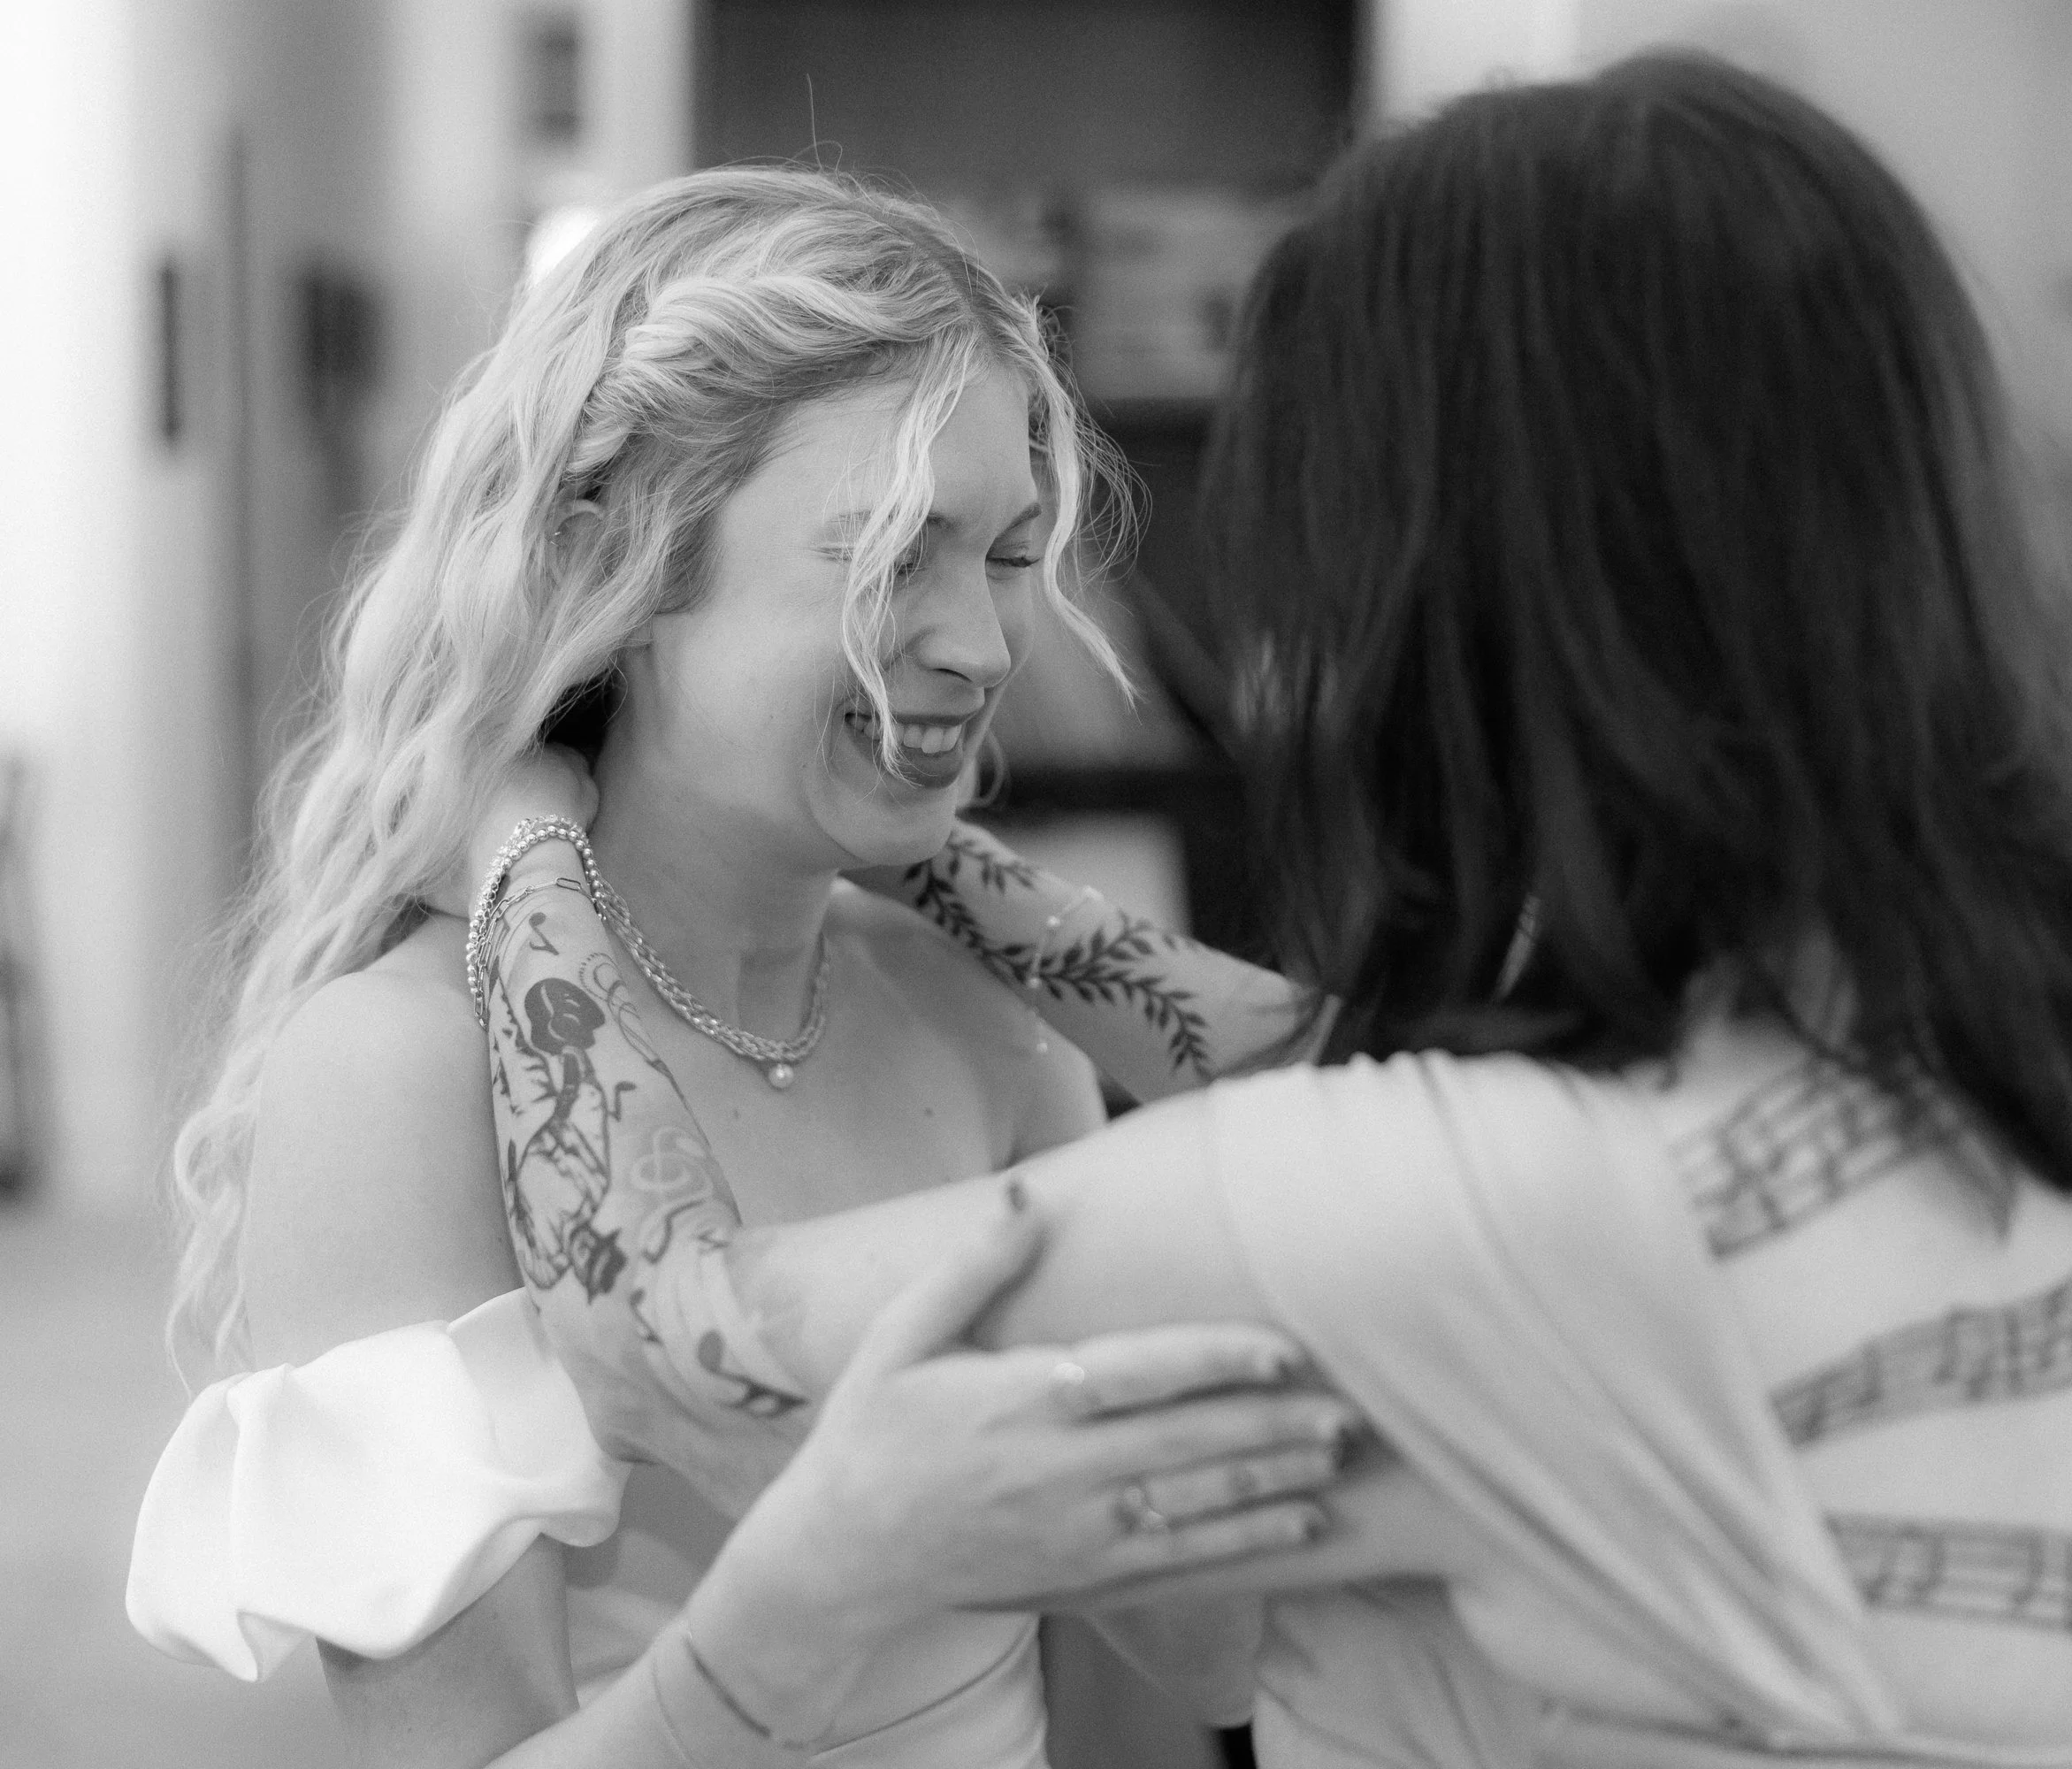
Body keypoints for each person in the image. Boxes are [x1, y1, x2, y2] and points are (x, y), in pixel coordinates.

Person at [467, 53, 2072, 1766]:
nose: (988, 644)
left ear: (1443, 587)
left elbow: (663, 1340)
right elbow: (1362, 1064)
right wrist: (918, 834)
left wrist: (519, 816)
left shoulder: (1482, 1208)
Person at [126, 167, 1361, 1768]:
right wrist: (844, 1564)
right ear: (619, 562)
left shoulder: (979, 1028)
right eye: (895, 554)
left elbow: (1163, 1699)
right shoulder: (402, 1074)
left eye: (1004, 555)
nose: (988, 648)